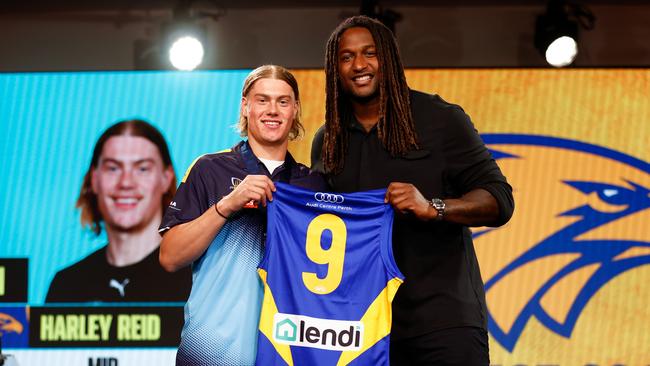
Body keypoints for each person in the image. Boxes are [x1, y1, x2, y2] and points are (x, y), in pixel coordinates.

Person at [311, 16, 515, 365]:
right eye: (346, 57)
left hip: (443, 321)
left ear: (387, 58)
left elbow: (499, 200)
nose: (359, 65)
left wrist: (433, 207)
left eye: (369, 53)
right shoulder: (328, 140)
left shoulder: (441, 119)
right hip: (364, 330)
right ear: (335, 69)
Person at [159, 65, 326, 366]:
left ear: (295, 110)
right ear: (245, 106)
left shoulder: (313, 184)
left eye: (283, 101)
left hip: (289, 352)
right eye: (262, 100)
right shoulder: (209, 169)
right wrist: (227, 205)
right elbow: (170, 256)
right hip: (212, 353)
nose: (272, 110)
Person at [46, 119, 191, 303]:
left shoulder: (198, 277)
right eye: (113, 168)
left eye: (142, 169)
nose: (126, 183)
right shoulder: (67, 285)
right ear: (94, 179)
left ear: (166, 178)